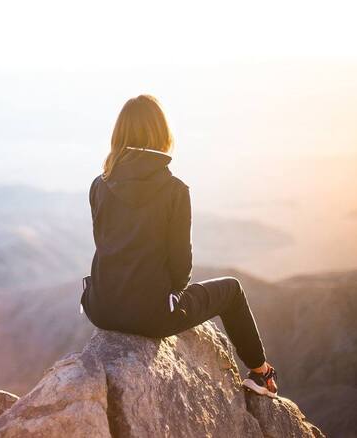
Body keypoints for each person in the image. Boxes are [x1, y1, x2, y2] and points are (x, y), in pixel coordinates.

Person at [80, 94, 278, 397]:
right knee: (233, 290)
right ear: (162, 134)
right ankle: (260, 373)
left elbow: (105, 244)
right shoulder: (174, 190)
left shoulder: (99, 184)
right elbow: (181, 268)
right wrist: (169, 295)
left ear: (118, 135)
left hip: (100, 307)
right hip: (152, 316)